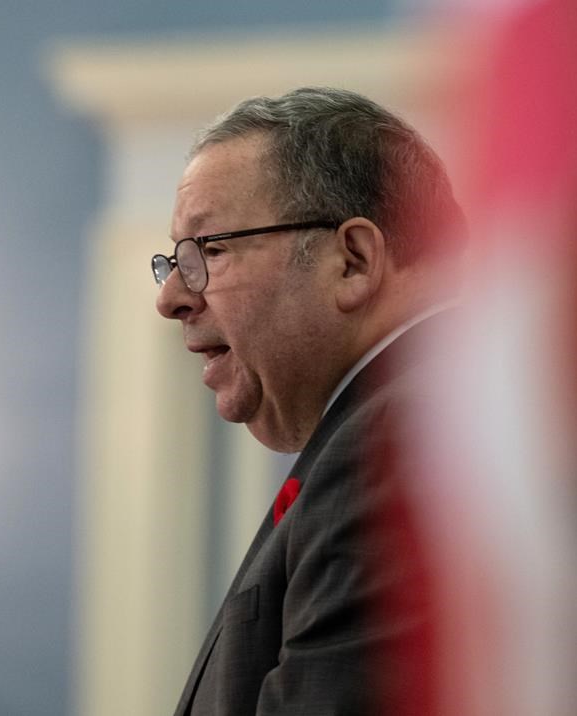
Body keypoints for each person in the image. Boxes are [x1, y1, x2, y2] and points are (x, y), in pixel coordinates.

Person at [152, 86, 466, 715]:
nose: (170, 299)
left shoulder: (395, 440)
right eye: (173, 262)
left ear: (353, 260)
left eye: (210, 250)